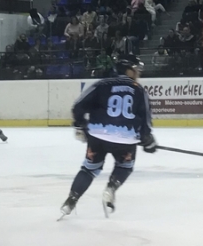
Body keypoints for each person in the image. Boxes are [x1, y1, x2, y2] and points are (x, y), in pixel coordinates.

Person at [59, 54, 156, 219]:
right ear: (127, 70)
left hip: (98, 135)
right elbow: (145, 119)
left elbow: (78, 106)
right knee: (124, 166)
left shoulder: (102, 84)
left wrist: (80, 125)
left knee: (89, 169)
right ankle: (111, 188)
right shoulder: (138, 90)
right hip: (126, 139)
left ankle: (71, 200)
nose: (138, 74)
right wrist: (147, 139)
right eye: (136, 70)